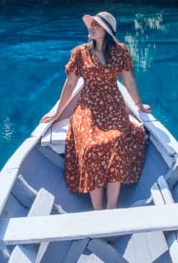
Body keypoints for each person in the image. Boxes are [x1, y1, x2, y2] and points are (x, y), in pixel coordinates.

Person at [40, 11, 152, 210]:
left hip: (114, 107)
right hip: (87, 108)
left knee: (117, 141)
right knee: (92, 146)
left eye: (96, 25)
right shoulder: (80, 52)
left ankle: (112, 207)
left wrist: (138, 105)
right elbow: (70, 84)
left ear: (107, 31)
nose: (91, 28)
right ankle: (98, 210)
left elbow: (128, 80)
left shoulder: (121, 51)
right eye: (90, 25)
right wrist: (58, 111)